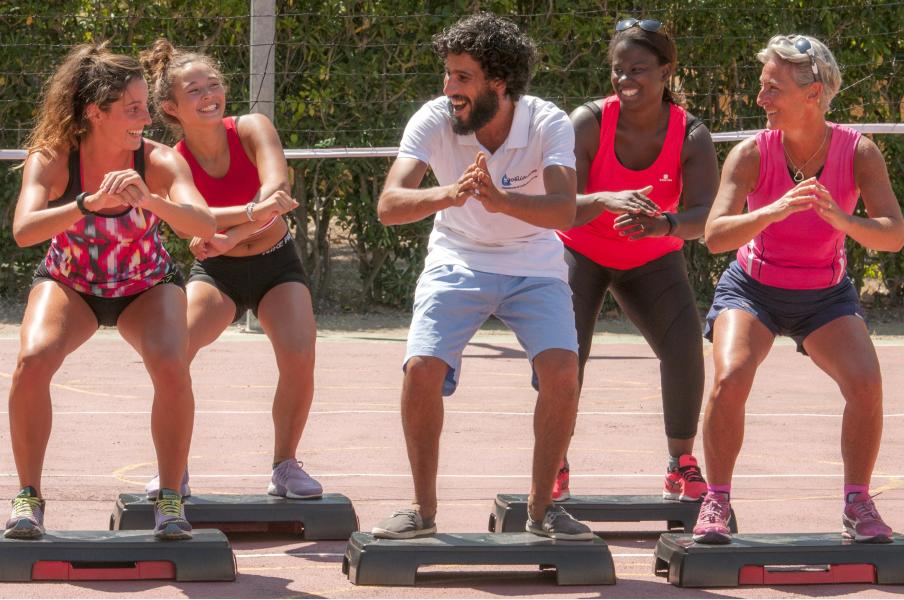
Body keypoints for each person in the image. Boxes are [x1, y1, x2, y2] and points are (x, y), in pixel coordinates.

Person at [370, 13, 592, 541]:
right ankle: (422, 513)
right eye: (447, 75)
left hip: (533, 263)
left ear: (500, 82)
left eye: (462, 77)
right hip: (458, 259)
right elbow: (388, 205)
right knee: (421, 368)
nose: (450, 89)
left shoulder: (547, 121)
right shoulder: (432, 118)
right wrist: (449, 194)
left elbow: (562, 211)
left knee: (563, 373)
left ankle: (543, 513)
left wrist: (501, 200)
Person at [693, 34, 904, 544]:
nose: (760, 99)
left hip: (825, 296)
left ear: (813, 95)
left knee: (867, 384)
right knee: (731, 376)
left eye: (773, 89)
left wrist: (840, 217)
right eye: (762, 87)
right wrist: (774, 209)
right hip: (753, 289)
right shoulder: (750, 154)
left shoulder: (859, 153)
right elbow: (715, 236)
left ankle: (857, 502)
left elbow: (894, 235)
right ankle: (715, 498)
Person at [6, 42, 216, 541]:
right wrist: (87, 203)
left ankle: (169, 498)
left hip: (145, 285)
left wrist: (153, 200)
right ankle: (28, 498)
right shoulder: (54, 157)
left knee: (171, 362)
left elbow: (203, 221)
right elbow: (24, 230)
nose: (145, 117)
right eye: (133, 109)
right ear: (95, 113)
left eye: (145, 106)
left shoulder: (159, 161)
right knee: (32, 361)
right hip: (71, 283)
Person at [139, 39, 322, 500]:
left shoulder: (252, 127)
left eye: (214, 84)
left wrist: (230, 233)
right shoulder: (170, 161)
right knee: (172, 353)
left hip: (276, 264)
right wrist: (226, 228)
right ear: (170, 106)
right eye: (194, 90)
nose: (208, 95)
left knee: (299, 354)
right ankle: (172, 472)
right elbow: (193, 225)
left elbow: (277, 192)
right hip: (217, 274)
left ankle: (285, 465)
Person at [556, 18, 718, 503]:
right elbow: (560, 204)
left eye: (638, 69)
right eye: (618, 70)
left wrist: (664, 224)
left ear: (666, 71)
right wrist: (607, 198)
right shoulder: (587, 122)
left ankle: (680, 464)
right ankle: (554, 462)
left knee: (685, 344)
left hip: (651, 256)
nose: (625, 79)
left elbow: (709, 216)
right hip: (580, 251)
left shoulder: (690, 135)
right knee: (564, 356)